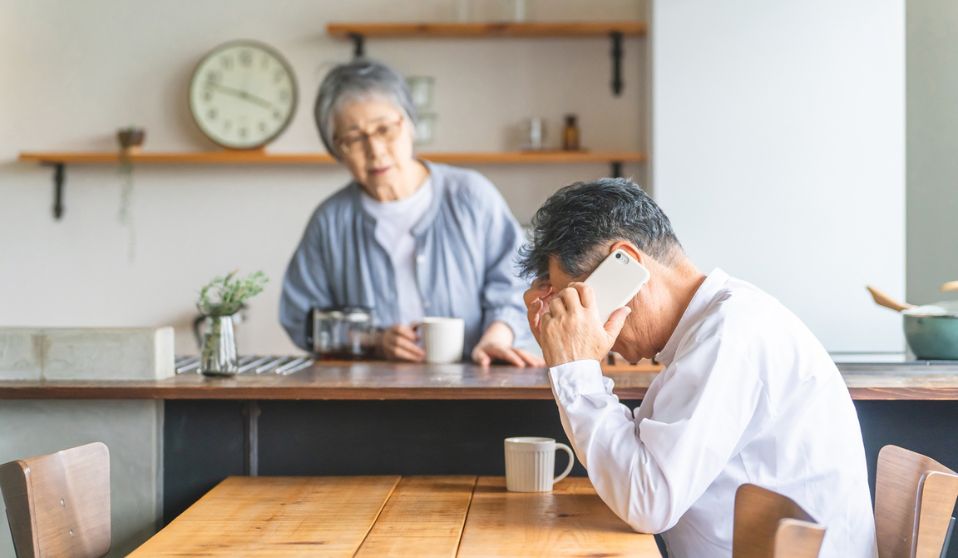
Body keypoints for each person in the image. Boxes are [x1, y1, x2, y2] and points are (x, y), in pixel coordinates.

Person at [519, 178, 877, 557]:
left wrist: (575, 368)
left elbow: (648, 502)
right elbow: (641, 475)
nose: (582, 322)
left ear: (626, 264)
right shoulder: (716, 328)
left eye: (578, 302)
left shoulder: (730, 336)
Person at [280, 59, 540, 367]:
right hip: (375, 399)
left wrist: (498, 337)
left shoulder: (470, 194)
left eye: (384, 129)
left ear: (410, 123)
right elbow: (301, 317)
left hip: (476, 387)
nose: (375, 150)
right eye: (353, 138)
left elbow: (519, 280)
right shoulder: (330, 221)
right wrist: (372, 341)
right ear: (336, 149)